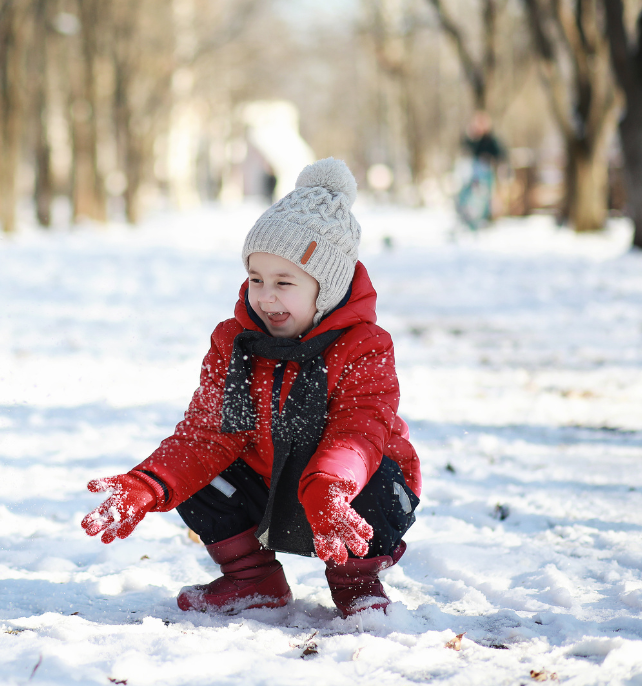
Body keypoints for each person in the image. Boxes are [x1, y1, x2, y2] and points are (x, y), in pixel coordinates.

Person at [81, 158, 422, 618]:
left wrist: (328, 486)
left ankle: (355, 581)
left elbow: (359, 431)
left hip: (342, 490)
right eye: (256, 279)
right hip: (267, 480)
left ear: (330, 287)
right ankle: (253, 580)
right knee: (198, 475)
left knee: (377, 475)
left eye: (285, 282)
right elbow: (207, 433)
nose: (265, 296)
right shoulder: (235, 344)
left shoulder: (365, 347)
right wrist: (149, 484)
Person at [458, 111, 504, 228]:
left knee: (484, 197)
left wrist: (490, 159)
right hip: (473, 174)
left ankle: (484, 218)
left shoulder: (491, 140)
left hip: (486, 174)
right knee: (472, 196)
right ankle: (468, 218)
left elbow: (499, 154)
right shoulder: (473, 139)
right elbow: (465, 149)